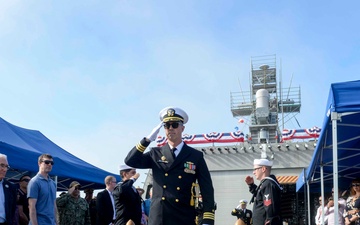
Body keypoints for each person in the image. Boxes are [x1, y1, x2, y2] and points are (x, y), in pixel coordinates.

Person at [125, 106, 216, 225]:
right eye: (167, 126)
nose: (170, 128)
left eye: (174, 125)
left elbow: (206, 188)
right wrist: (147, 140)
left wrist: (207, 218)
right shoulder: (155, 153)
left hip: (183, 216)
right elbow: (130, 161)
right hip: (159, 216)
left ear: (182, 128)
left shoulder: (195, 156)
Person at [245, 158, 283, 225]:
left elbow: (270, 206)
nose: (253, 172)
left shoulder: (268, 184)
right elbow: (261, 197)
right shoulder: (266, 183)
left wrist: (270, 220)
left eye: (255, 169)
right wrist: (252, 186)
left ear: (263, 169)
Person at [27, 153, 58, 225]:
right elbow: (32, 207)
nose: (50, 164)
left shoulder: (53, 183)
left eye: (51, 163)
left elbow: (54, 205)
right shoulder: (34, 182)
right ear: (39, 163)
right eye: (47, 162)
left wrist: (56, 222)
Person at [0, 153, 17, 225]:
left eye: (7, 166)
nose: (5, 169)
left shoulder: (10, 187)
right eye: (2, 165)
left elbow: (12, 210)